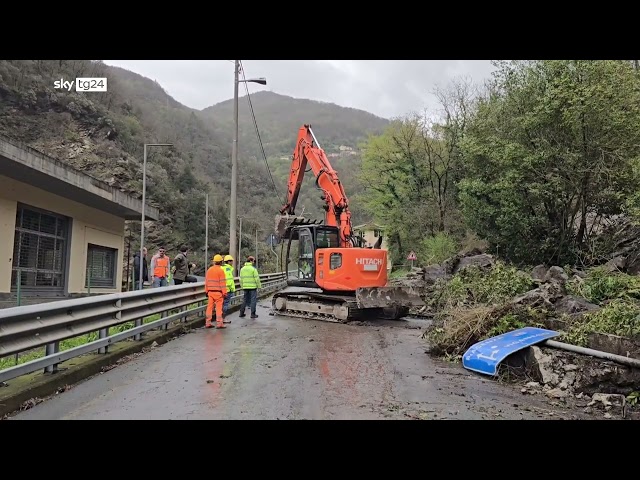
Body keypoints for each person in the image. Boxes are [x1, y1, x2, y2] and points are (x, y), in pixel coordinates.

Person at [205, 254, 228, 329]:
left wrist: (206, 291)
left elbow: (206, 282)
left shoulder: (209, 270)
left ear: (214, 262)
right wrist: (224, 293)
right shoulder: (221, 271)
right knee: (218, 308)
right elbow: (223, 283)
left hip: (210, 292)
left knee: (209, 308)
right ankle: (219, 323)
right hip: (218, 293)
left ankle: (208, 323)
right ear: (221, 262)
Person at [221, 255, 236, 322]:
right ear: (228, 262)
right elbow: (228, 280)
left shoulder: (222, 268)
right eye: (231, 261)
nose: (232, 262)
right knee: (225, 304)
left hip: (222, 289)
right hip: (227, 290)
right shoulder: (227, 269)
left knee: (222, 304)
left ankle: (220, 318)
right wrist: (231, 288)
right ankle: (223, 318)